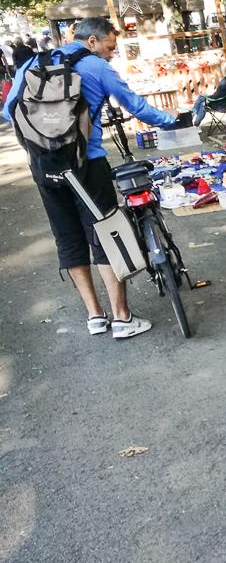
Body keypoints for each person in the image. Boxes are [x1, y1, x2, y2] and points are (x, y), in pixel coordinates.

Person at [1, 17, 178, 338]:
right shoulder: (96, 67)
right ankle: (122, 318)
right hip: (87, 166)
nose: (111, 54)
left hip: (44, 167)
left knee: (67, 238)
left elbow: (8, 110)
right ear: (92, 41)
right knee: (106, 235)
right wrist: (171, 121)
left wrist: (43, 143)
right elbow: (135, 106)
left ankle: (95, 316)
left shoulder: (31, 64)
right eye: (110, 47)